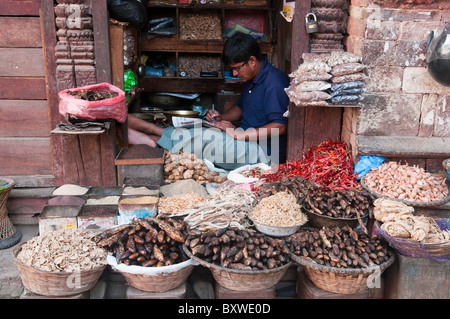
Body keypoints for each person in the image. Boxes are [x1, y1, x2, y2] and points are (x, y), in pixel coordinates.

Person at [126, 32, 290, 169]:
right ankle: (152, 130)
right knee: (199, 126)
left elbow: (280, 126)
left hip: (264, 154)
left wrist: (241, 135)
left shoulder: (274, 84)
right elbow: (241, 107)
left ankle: (151, 139)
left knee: (206, 140)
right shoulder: (252, 78)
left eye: (236, 68)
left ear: (252, 61)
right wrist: (221, 118)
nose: (233, 74)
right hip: (244, 138)